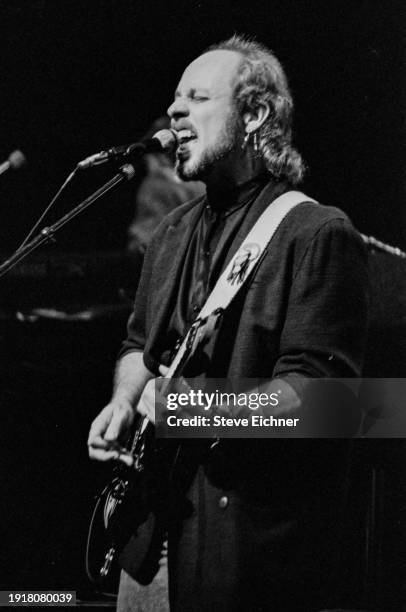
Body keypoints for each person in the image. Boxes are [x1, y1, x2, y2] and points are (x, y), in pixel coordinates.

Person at [88, 35, 369, 611]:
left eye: (196, 97)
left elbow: (324, 404)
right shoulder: (170, 232)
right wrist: (124, 400)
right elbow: (140, 345)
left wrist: (188, 407)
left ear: (255, 114)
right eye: (174, 98)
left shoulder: (313, 233)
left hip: (238, 548)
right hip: (148, 539)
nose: (175, 111)